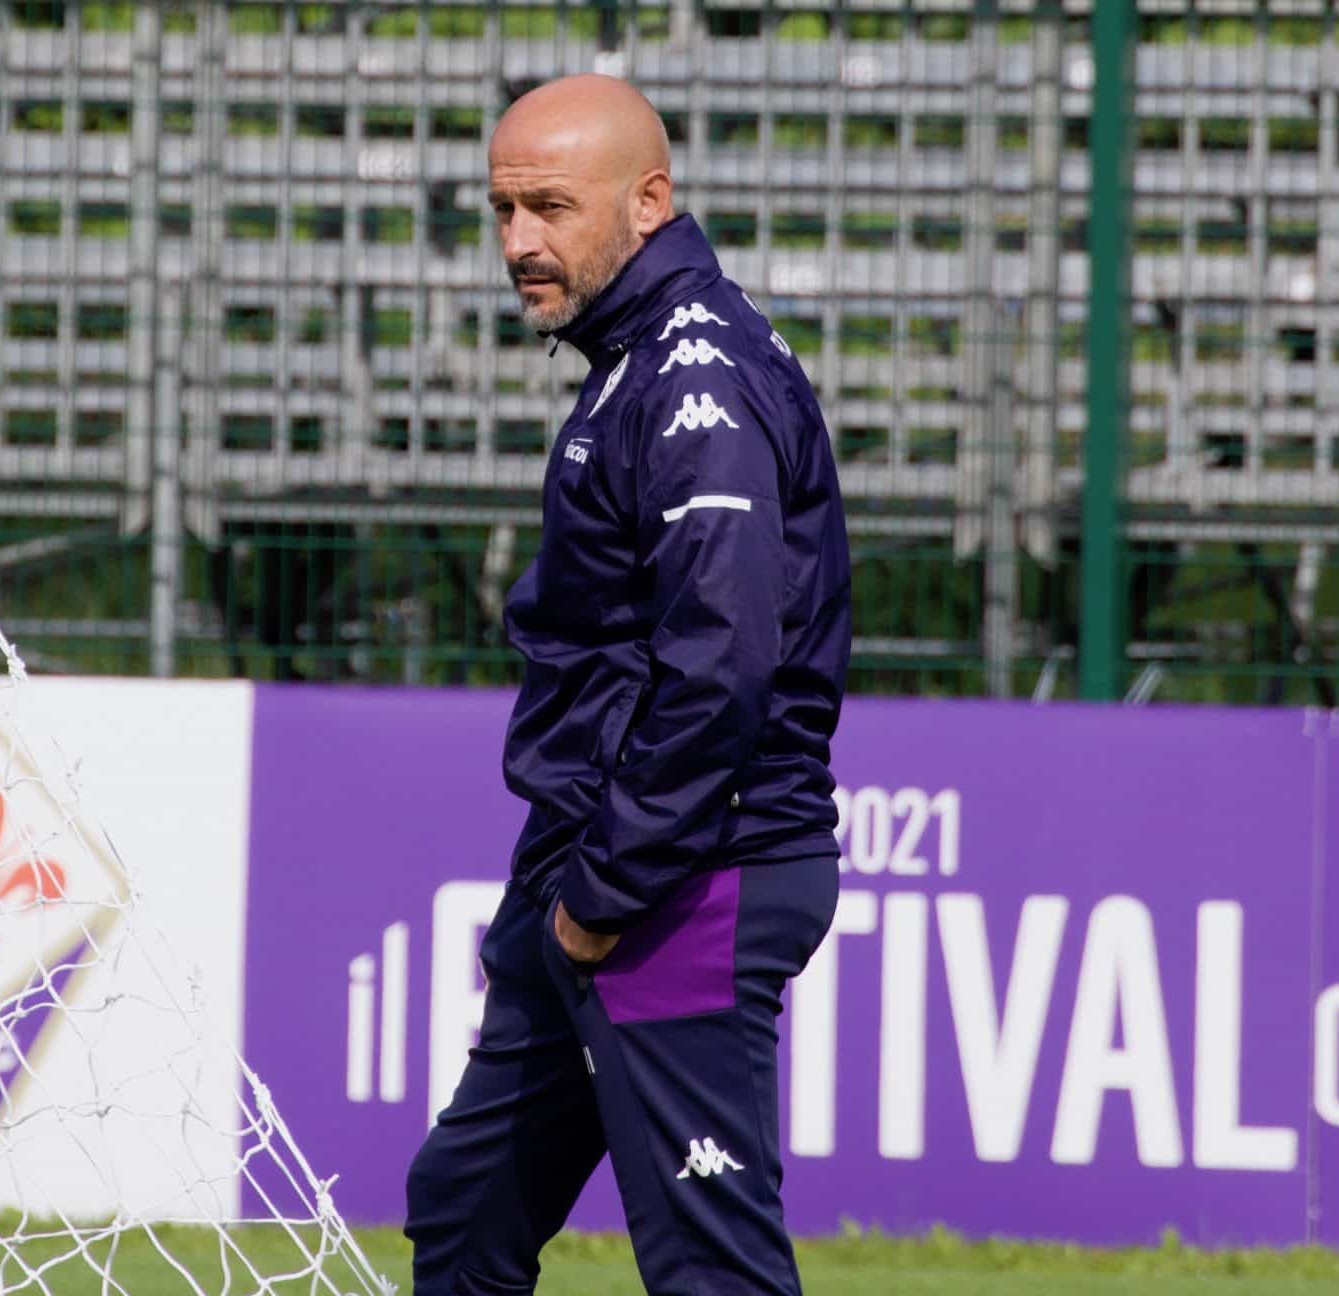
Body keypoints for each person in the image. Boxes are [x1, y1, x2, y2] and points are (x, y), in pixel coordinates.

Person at [404, 75, 852, 1296]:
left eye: (548, 207)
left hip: (682, 872)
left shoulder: (693, 377)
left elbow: (719, 660)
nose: (516, 244)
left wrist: (602, 893)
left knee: (711, 1270)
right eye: (500, 211)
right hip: (597, 862)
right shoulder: (635, 360)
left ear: (647, 202)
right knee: (462, 1214)